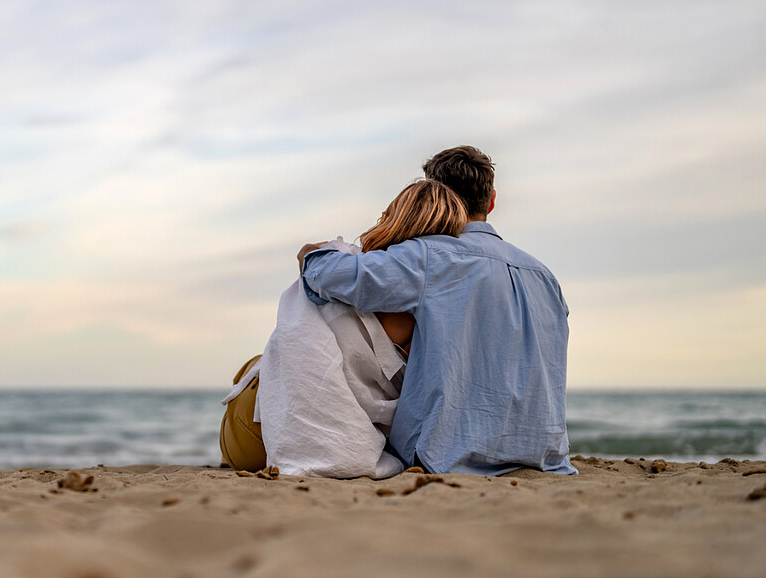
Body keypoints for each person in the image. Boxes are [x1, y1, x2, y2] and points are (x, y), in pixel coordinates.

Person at [299, 146, 575, 476]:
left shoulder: (429, 257)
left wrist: (311, 255)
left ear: (438, 197)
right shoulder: (545, 276)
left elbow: (336, 277)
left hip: (447, 458)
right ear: (491, 201)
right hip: (545, 460)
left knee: (310, 301)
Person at [220, 179, 467, 478]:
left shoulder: (350, 266)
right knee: (260, 365)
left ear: (396, 219)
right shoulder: (447, 301)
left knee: (258, 365)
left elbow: (308, 258)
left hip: (258, 429)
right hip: (311, 427)